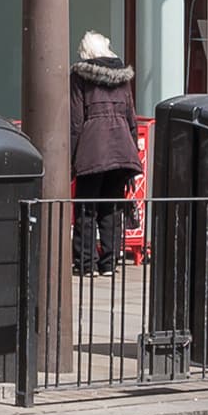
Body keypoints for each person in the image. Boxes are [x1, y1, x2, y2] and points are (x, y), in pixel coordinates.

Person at [67, 30, 142, 275]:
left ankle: (85, 263)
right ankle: (109, 262)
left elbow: (76, 120)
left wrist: (71, 159)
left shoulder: (79, 77)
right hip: (122, 148)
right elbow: (131, 117)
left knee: (86, 207)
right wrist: (133, 152)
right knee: (112, 206)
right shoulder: (122, 78)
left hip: (92, 149)